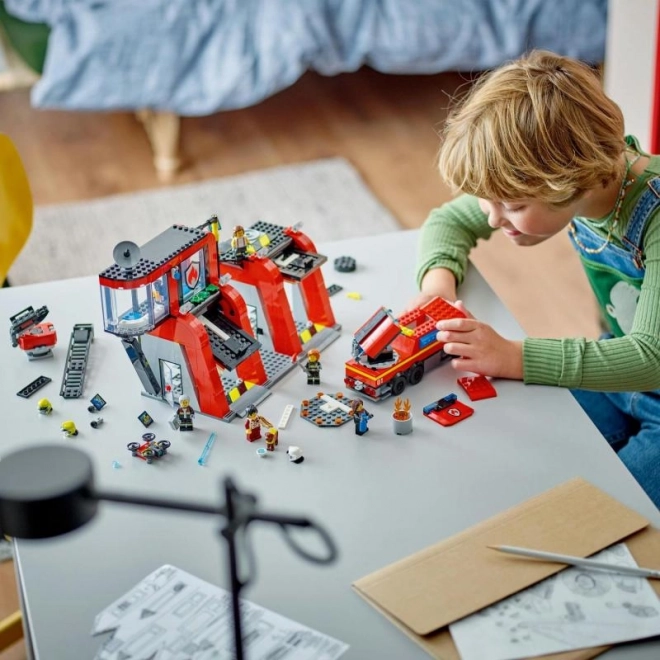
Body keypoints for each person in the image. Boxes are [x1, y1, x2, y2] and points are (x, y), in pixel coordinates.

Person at [413, 50, 660, 507]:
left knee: (603, 517)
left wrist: (512, 356)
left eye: (512, 205)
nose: (491, 217)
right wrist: (437, 293)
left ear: (571, 181)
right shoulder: (584, 179)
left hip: (645, 370)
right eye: (487, 201)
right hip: (620, 374)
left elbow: (650, 356)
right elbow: (448, 222)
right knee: (526, 469)